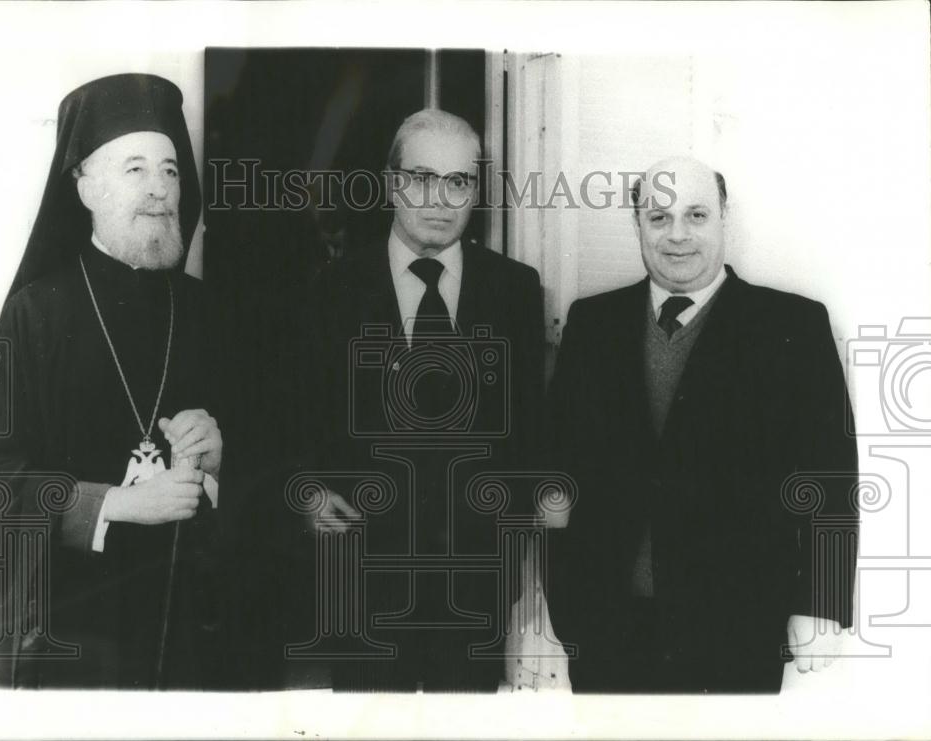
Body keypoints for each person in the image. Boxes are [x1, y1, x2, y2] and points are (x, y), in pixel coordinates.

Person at [544, 156, 858, 693]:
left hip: (738, 628)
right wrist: (565, 594)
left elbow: (829, 471)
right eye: (659, 218)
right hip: (607, 630)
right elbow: (558, 463)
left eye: (696, 215)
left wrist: (821, 602)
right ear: (637, 225)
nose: (677, 235)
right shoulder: (593, 323)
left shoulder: (792, 325)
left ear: (723, 219)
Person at [0, 73, 226, 689]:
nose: (159, 191)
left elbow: (267, 465)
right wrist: (116, 503)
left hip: (189, 627)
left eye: (171, 171)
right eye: (135, 170)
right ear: (86, 187)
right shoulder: (34, 315)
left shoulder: (207, 312)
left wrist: (220, 458)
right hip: (76, 629)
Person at [299, 109, 545, 691]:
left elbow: (529, 430)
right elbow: (295, 418)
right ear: (391, 182)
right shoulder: (328, 293)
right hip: (360, 578)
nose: (440, 199)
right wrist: (307, 494)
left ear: (475, 190)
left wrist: (511, 531)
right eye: (421, 177)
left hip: (476, 580)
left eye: (458, 181)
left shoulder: (514, 289)